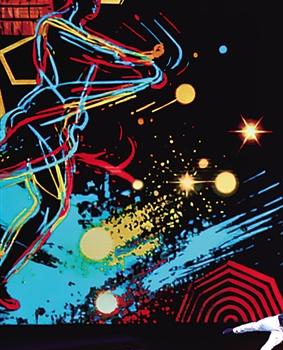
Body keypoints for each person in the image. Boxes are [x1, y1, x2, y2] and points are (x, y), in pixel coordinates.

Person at [0, 0, 169, 311]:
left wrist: (145, 61)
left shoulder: (78, 33)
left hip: (56, 131)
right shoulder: (55, 27)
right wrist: (144, 61)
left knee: (52, 207)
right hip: (37, 123)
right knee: (44, 201)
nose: (95, 5)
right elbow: (99, 51)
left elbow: (103, 52)